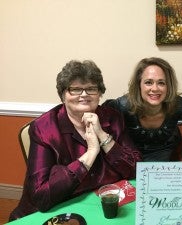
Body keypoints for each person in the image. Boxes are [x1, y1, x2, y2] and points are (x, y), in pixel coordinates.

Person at [9, 60, 142, 221]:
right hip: (57, 211)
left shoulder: (113, 118)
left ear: (100, 94)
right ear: (63, 95)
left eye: (91, 89)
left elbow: (136, 169)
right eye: (75, 89)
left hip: (102, 205)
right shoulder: (44, 128)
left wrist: (103, 136)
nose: (84, 95)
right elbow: (41, 196)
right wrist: (91, 153)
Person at [104, 57, 182, 161]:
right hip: (130, 164)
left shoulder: (179, 105)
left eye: (161, 83)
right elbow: (102, 115)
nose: (154, 89)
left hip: (165, 168)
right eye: (148, 82)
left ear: (169, 86)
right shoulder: (122, 106)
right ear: (139, 84)